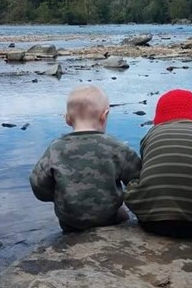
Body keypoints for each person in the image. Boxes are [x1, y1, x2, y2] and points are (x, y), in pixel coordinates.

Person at [30, 85, 142, 232]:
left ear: (67, 119)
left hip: (70, 219)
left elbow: (38, 184)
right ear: (104, 115)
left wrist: (58, 196)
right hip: (108, 217)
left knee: (67, 225)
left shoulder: (55, 148)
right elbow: (138, 179)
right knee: (123, 216)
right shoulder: (117, 147)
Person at [124, 89, 192, 238]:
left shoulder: (152, 134)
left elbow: (145, 166)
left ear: (158, 118)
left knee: (136, 182)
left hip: (153, 222)